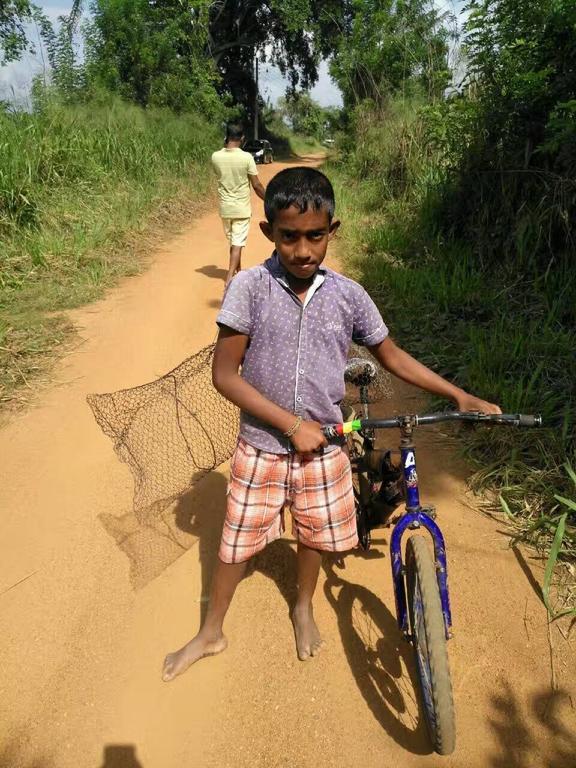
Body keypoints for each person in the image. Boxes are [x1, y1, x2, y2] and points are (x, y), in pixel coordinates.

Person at [162, 167, 501, 682]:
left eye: (314, 236)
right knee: (236, 543)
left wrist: (458, 393)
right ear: (268, 233)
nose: (303, 250)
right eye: (289, 236)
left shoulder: (349, 295)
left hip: (324, 448)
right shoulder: (249, 289)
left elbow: (390, 355)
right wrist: (288, 423)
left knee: (316, 536)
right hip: (261, 446)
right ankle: (211, 630)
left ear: (331, 231)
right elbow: (224, 375)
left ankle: (304, 606)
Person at [212, 122, 266, 286]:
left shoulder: (216, 157)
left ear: (226, 136)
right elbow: (256, 185)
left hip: (225, 209)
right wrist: (269, 199)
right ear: (242, 138)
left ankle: (239, 272)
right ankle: (229, 278)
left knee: (235, 243)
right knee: (237, 243)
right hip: (241, 209)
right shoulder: (246, 158)